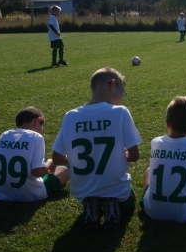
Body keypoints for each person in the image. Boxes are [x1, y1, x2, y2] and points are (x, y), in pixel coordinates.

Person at [51, 67, 142, 229]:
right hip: (116, 187)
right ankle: (112, 202)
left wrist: (76, 161)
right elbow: (134, 156)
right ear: (112, 85)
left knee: (92, 191)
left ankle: (93, 204)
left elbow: (57, 158)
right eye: (122, 91)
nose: (122, 97)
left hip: (82, 191)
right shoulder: (120, 112)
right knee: (129, 196)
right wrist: (117, 156)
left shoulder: (70, 116)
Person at [0, 106, 70, 202]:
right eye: (42, 128)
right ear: (37, 121)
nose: (42, 132)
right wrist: (50, 163)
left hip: (1, 192)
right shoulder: (36, 137)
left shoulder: (4, 135)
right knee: (68, 168)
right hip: (30, 194)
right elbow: (37, 172)